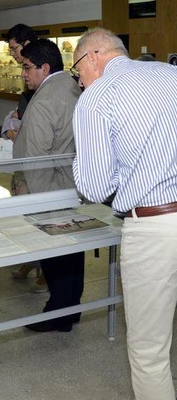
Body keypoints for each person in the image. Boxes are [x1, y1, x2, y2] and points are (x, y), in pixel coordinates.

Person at [71, 27, 177, 400]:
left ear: (93, 57)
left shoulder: (98, 98)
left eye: (76, 72)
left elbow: (95, 187)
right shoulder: (171, 74)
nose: (79, 82)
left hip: (154, 227)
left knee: (150, 353)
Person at [11, 38, 84, 333]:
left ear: (44, 67)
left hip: (50, 191)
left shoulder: (43, 102)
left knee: (56, 255)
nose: (23, 74)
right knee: (72, 251)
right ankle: (71, 308)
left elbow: (37, 160)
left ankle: (57, 314)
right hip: (71, 184)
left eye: (27, 68)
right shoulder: (72, 87)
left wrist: (37, 204)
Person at [2, 24, 46, 289]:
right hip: (21, 155)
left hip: (35, 158)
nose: (13, 55)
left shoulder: (41, 69)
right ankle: (31, 258)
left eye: (15, 48)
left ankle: (45, 266)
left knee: (38, 212)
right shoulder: (28, 76)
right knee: (23, 209)